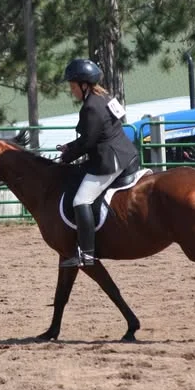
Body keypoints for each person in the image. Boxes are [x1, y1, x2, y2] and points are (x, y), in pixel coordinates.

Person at [56, 58, 139, 267]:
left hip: (109, 161)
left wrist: (67, 156)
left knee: (80, 200)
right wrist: (69, 146)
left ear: (84, 85)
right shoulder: (105, 97)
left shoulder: (90, 107)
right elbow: (101, 132)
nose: (72, 91)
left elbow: (88, 142)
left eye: (73, 87)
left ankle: (87, 254)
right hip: (125, 152)